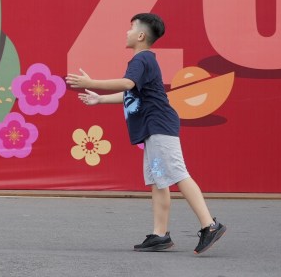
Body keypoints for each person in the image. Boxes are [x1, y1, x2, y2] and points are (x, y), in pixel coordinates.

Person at [66, 13, 226, 254]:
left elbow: (127, 85)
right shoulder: (144, 61)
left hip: (159, 127)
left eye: (130, 28)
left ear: (141, 36)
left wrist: (92, 81)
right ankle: (160, 235)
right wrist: (100, 99)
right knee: (159, 179)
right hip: (153, 130)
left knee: (179, 174)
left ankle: (210, 225)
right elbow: (132, 94)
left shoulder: (141, 60)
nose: (127, 32)